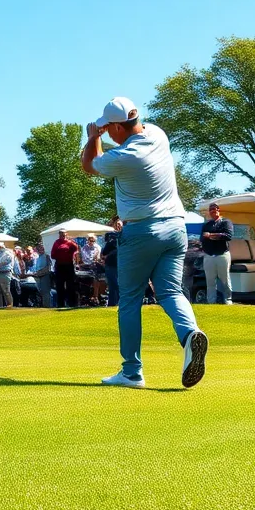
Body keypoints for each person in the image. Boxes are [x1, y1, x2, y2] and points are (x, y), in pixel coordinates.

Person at [82, 96, 208, 389]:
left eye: (109, 128)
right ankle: (190, 334)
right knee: (170, 291)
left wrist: (93, 137)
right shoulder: (158, 134)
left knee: (129, 300)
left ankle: (132, 372)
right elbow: (118, 147)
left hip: (141, 232)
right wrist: (105, 134)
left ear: (116, 127)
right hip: (175, 228)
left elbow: (89, 165)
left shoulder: (123, 157)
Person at [199, 201, 234, 304]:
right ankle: (211, 301)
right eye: (211, 209)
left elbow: (228, 236)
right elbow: (202, 238)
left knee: (225, 279)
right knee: (210, 280)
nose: (213, 211)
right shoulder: (207, 224)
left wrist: (211, 235)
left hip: (222, 254)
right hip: (209, 255)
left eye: (215, 209)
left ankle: (228, 300)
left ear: (219, 210)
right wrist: (210, 237)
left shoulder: (225, 222)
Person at [49, 229, 79, 307]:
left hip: (69, 265)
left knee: (70, 285)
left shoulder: (70, 242)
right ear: (59, 235)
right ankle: (60, 304)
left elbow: (76, 249)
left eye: (64, 234)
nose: (62, 235)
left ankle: (71, 303)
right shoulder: (56, 242)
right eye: (61, 234)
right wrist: (60, 254)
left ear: (66, 234)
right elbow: (52, 255)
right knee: (60, 285)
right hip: (60, 266)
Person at [102, 218, 122, 306]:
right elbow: (105, 251)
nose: (118, 226)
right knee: (113, 284)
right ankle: (113, 303)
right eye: (116, 224)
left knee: (118, 284)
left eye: (119, 224)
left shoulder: (124, 235)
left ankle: (118, 302)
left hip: (121, 263)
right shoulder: (111, 236)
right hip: (111, 263)